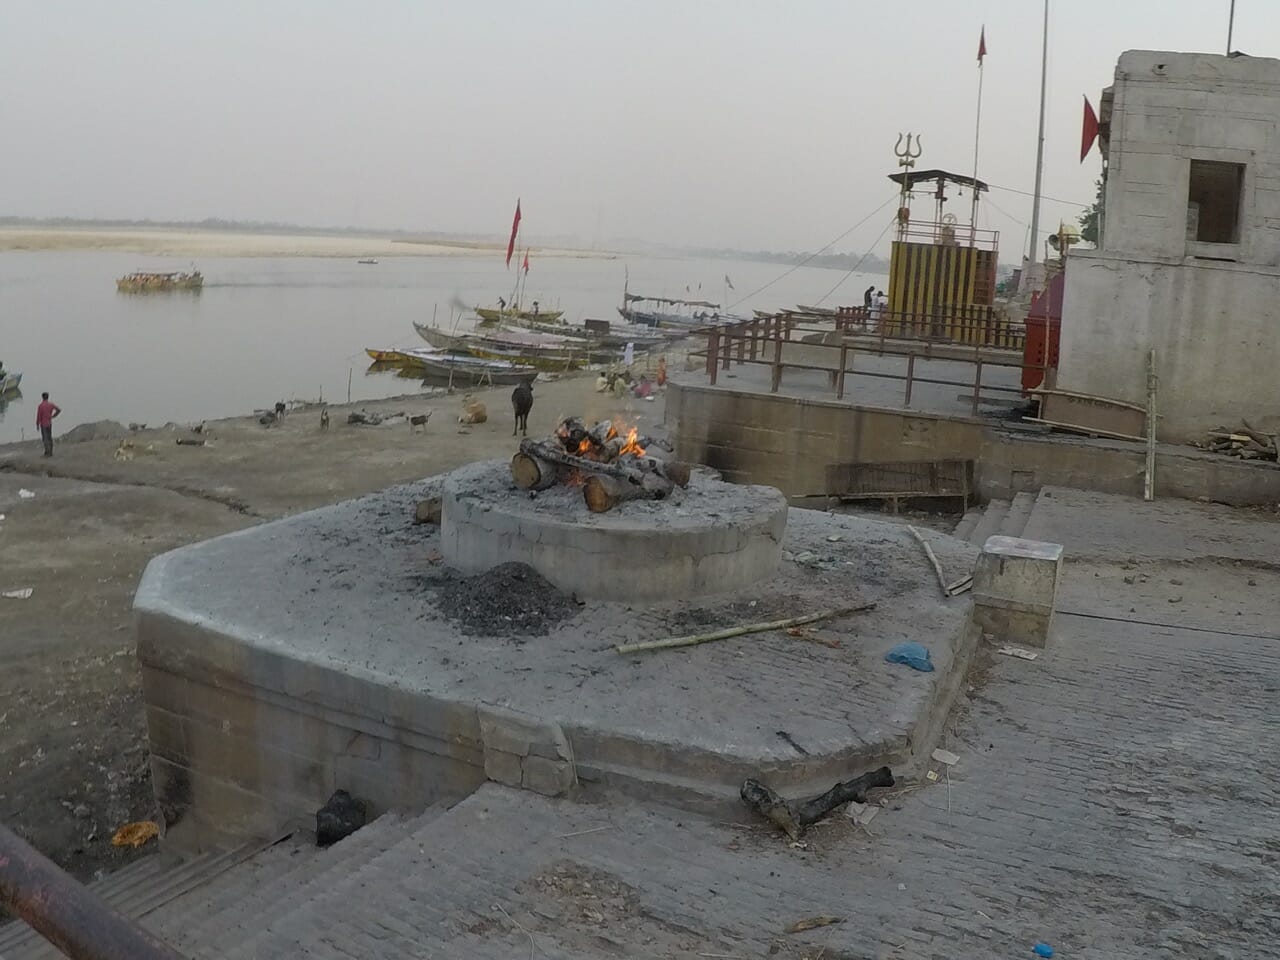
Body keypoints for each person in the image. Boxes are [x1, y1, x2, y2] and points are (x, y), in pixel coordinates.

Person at [36, 391, 61, 457]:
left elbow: (39, 416)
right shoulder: (51, 405)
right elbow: (59, 410)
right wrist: (53, 416)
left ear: (42, 397)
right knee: (49, 437)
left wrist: (37, 424)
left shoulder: (41, 406)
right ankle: (50, 452)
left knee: (45, 438)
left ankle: (47, 452)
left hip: (43, 424)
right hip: (49, 423)